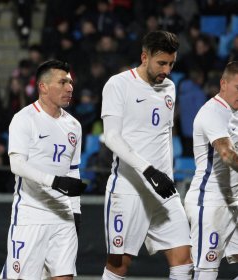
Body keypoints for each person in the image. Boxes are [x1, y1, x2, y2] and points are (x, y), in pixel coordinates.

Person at [100, 30, 193, 279]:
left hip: (164, 190)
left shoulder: (170, 88)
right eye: (161, 63)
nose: (167, 70)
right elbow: (111, 138)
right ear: (144, 56)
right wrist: (149, 170)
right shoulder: (118, 84)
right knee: (119, 266)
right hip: (130, 188)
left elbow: (164, 137)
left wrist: (166, 175)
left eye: (171, 64)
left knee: (184, 260)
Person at [0, 60, 87, 280]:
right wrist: (54, 182)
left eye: (70, 82)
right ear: (43, 86)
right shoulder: (24, 119)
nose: (70, 88)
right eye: (63, 82)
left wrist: (75, 212)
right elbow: (17, 165)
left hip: (63, 215)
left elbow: (73, 170)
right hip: (32, 214)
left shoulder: (74, 126)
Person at [184, 61, 238, 279]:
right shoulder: (212, 112)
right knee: (206, 272)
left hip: (233, 202)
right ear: (223, 84)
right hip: (210, 202)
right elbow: (226, 154)